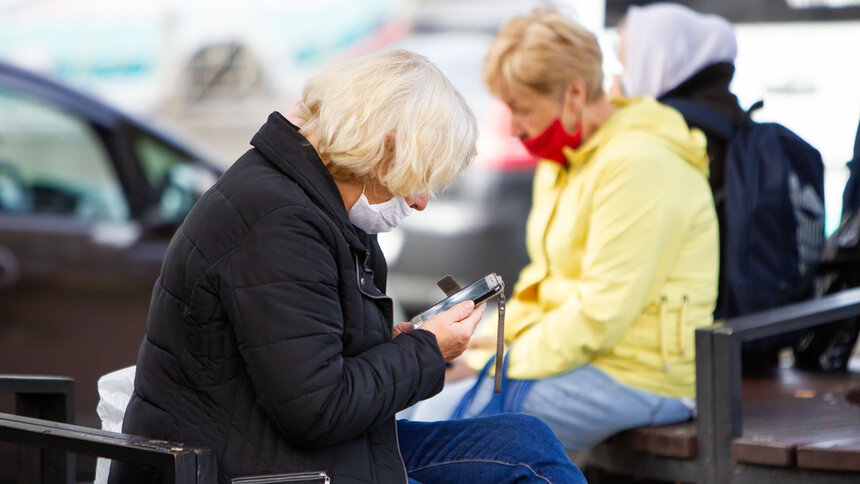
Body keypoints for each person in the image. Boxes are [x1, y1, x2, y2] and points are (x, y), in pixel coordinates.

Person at [109, 49, 584, 483]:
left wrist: (395, 344)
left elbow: (303, 359)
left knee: (527, 443)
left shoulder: (311, 201)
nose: (419, 202)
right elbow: (318, 408)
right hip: (252, 468)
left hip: (283, 449)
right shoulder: (280, 222)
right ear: (386, 148)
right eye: (419, 179)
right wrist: (427, 351)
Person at [416, 9, 719, 450]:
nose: (516, 128)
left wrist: (499, 360)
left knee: (448, 423)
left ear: (574, 93)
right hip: (585, 358)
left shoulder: (639, 165)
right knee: (420, 403)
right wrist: (479, 345)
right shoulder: (568, 158)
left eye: (522, 110)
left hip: (645, 376)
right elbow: (548, 288)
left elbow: (599, 315)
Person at [612, 2, 745, 319]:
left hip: (693, 330)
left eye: (627, 62)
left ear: (658, 59)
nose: (620, 78)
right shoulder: (726, 115)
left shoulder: (673, 133)